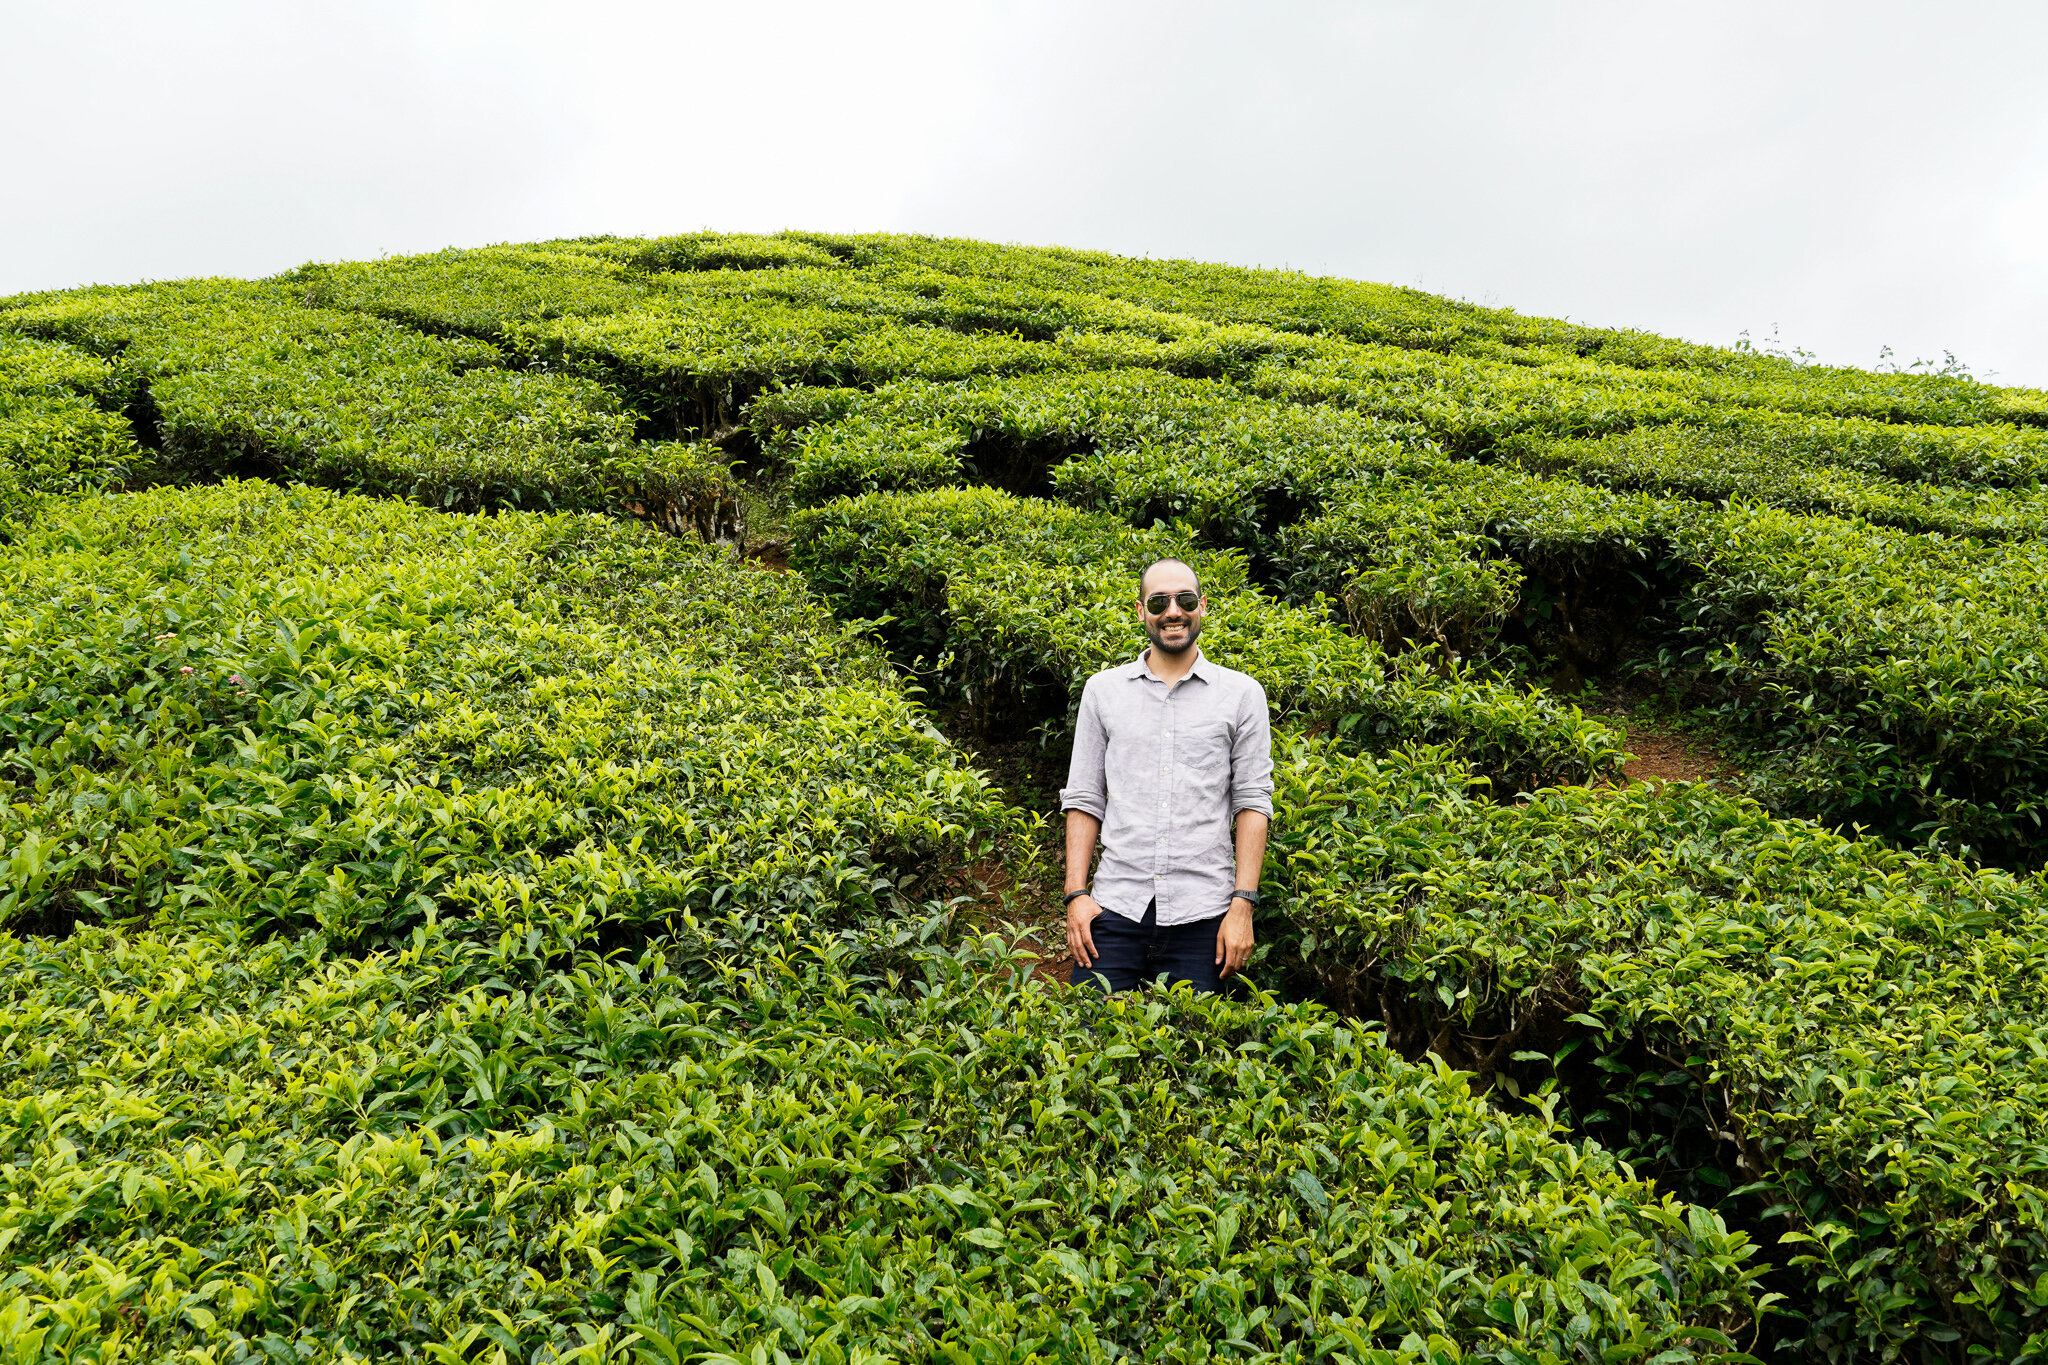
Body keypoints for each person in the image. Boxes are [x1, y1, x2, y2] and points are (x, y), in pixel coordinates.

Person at [1057, 557, 1274, 993]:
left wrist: (1243, 906)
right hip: (1114, 910)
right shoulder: (1103, 691)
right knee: (1088, 1048)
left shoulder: (1242, 694)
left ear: (1202, 606)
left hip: (1205, 919)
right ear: (1141, 611)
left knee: (1197, 1055)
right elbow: (1084, 797)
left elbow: (1252, 801)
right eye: (1158, 601)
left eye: (1185, 599)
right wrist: (1076, 896)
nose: (1172, 611)